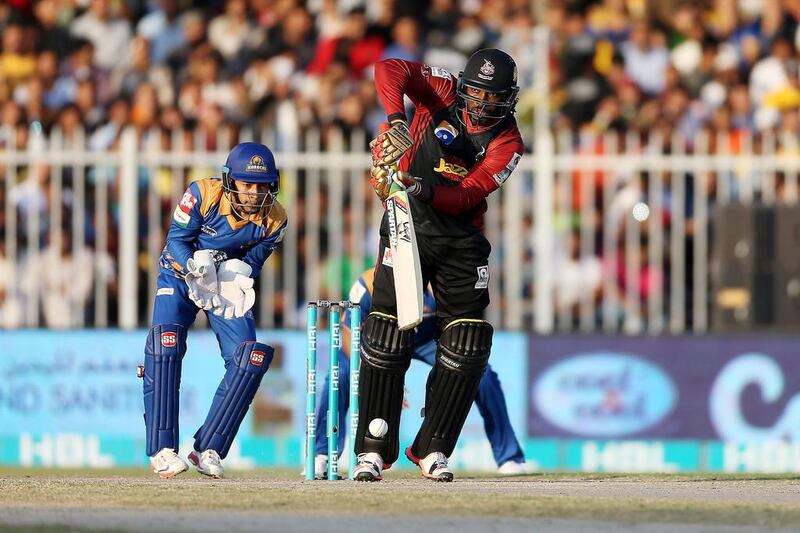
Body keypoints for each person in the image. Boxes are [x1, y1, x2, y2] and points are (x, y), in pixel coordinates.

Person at [354, 49, 525, 481]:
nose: (483, 105)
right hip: (407, 223)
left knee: (468, 344)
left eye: (493, 98)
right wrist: (396, 119)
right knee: (388, 330)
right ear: (463, 86)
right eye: (477, 94)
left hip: (461, 237)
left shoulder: (508, 142)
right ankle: (373, 449)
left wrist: (421, 187)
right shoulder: (442, 89)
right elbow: (388, 68)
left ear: (509, 99)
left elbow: (470, 193)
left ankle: (433, 450)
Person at [142, 142, 287, 479]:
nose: (254, 193)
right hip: (180, 274)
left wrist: (239, 273)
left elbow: (255, 259)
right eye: (247, 184)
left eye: (261, 185)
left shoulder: (276, 219)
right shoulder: (202, 194)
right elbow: (176, 239)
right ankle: (162, 450)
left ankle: (208, 447)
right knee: (165, 345)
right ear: (230, 181)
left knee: (249, 357)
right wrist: (194, 265)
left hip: (222, 285)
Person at [312, 269, 529, 479]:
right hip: (381, 342)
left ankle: (509, 457)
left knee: (483, 376)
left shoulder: (438, 284)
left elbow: (451, 330)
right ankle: (321, 454)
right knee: (339, 375)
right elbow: (350, 334)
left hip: (426, 340)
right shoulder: (370, 282)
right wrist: (379, 381)